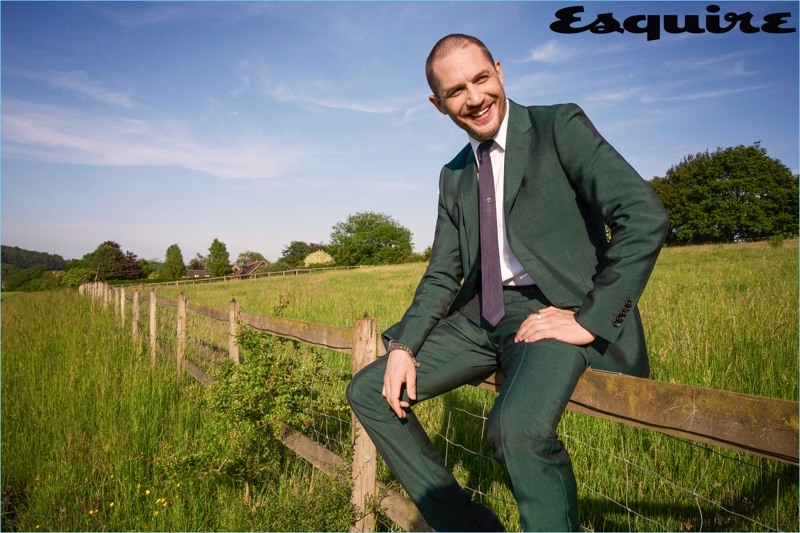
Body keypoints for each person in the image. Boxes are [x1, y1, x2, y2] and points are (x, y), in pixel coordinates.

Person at [347, 34, 668, 532]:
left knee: (515, 429)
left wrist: (590, 318)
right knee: (370, 391)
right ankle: (468, 526)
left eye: (481, 79)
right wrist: (404, 345)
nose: (474, 98)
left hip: (555, 312)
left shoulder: (557, 125)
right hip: (483, 316)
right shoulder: (454, 173)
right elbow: (442, 271)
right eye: (456, 91)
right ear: (438, 104)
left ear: (499, 70)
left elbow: (643, 214)